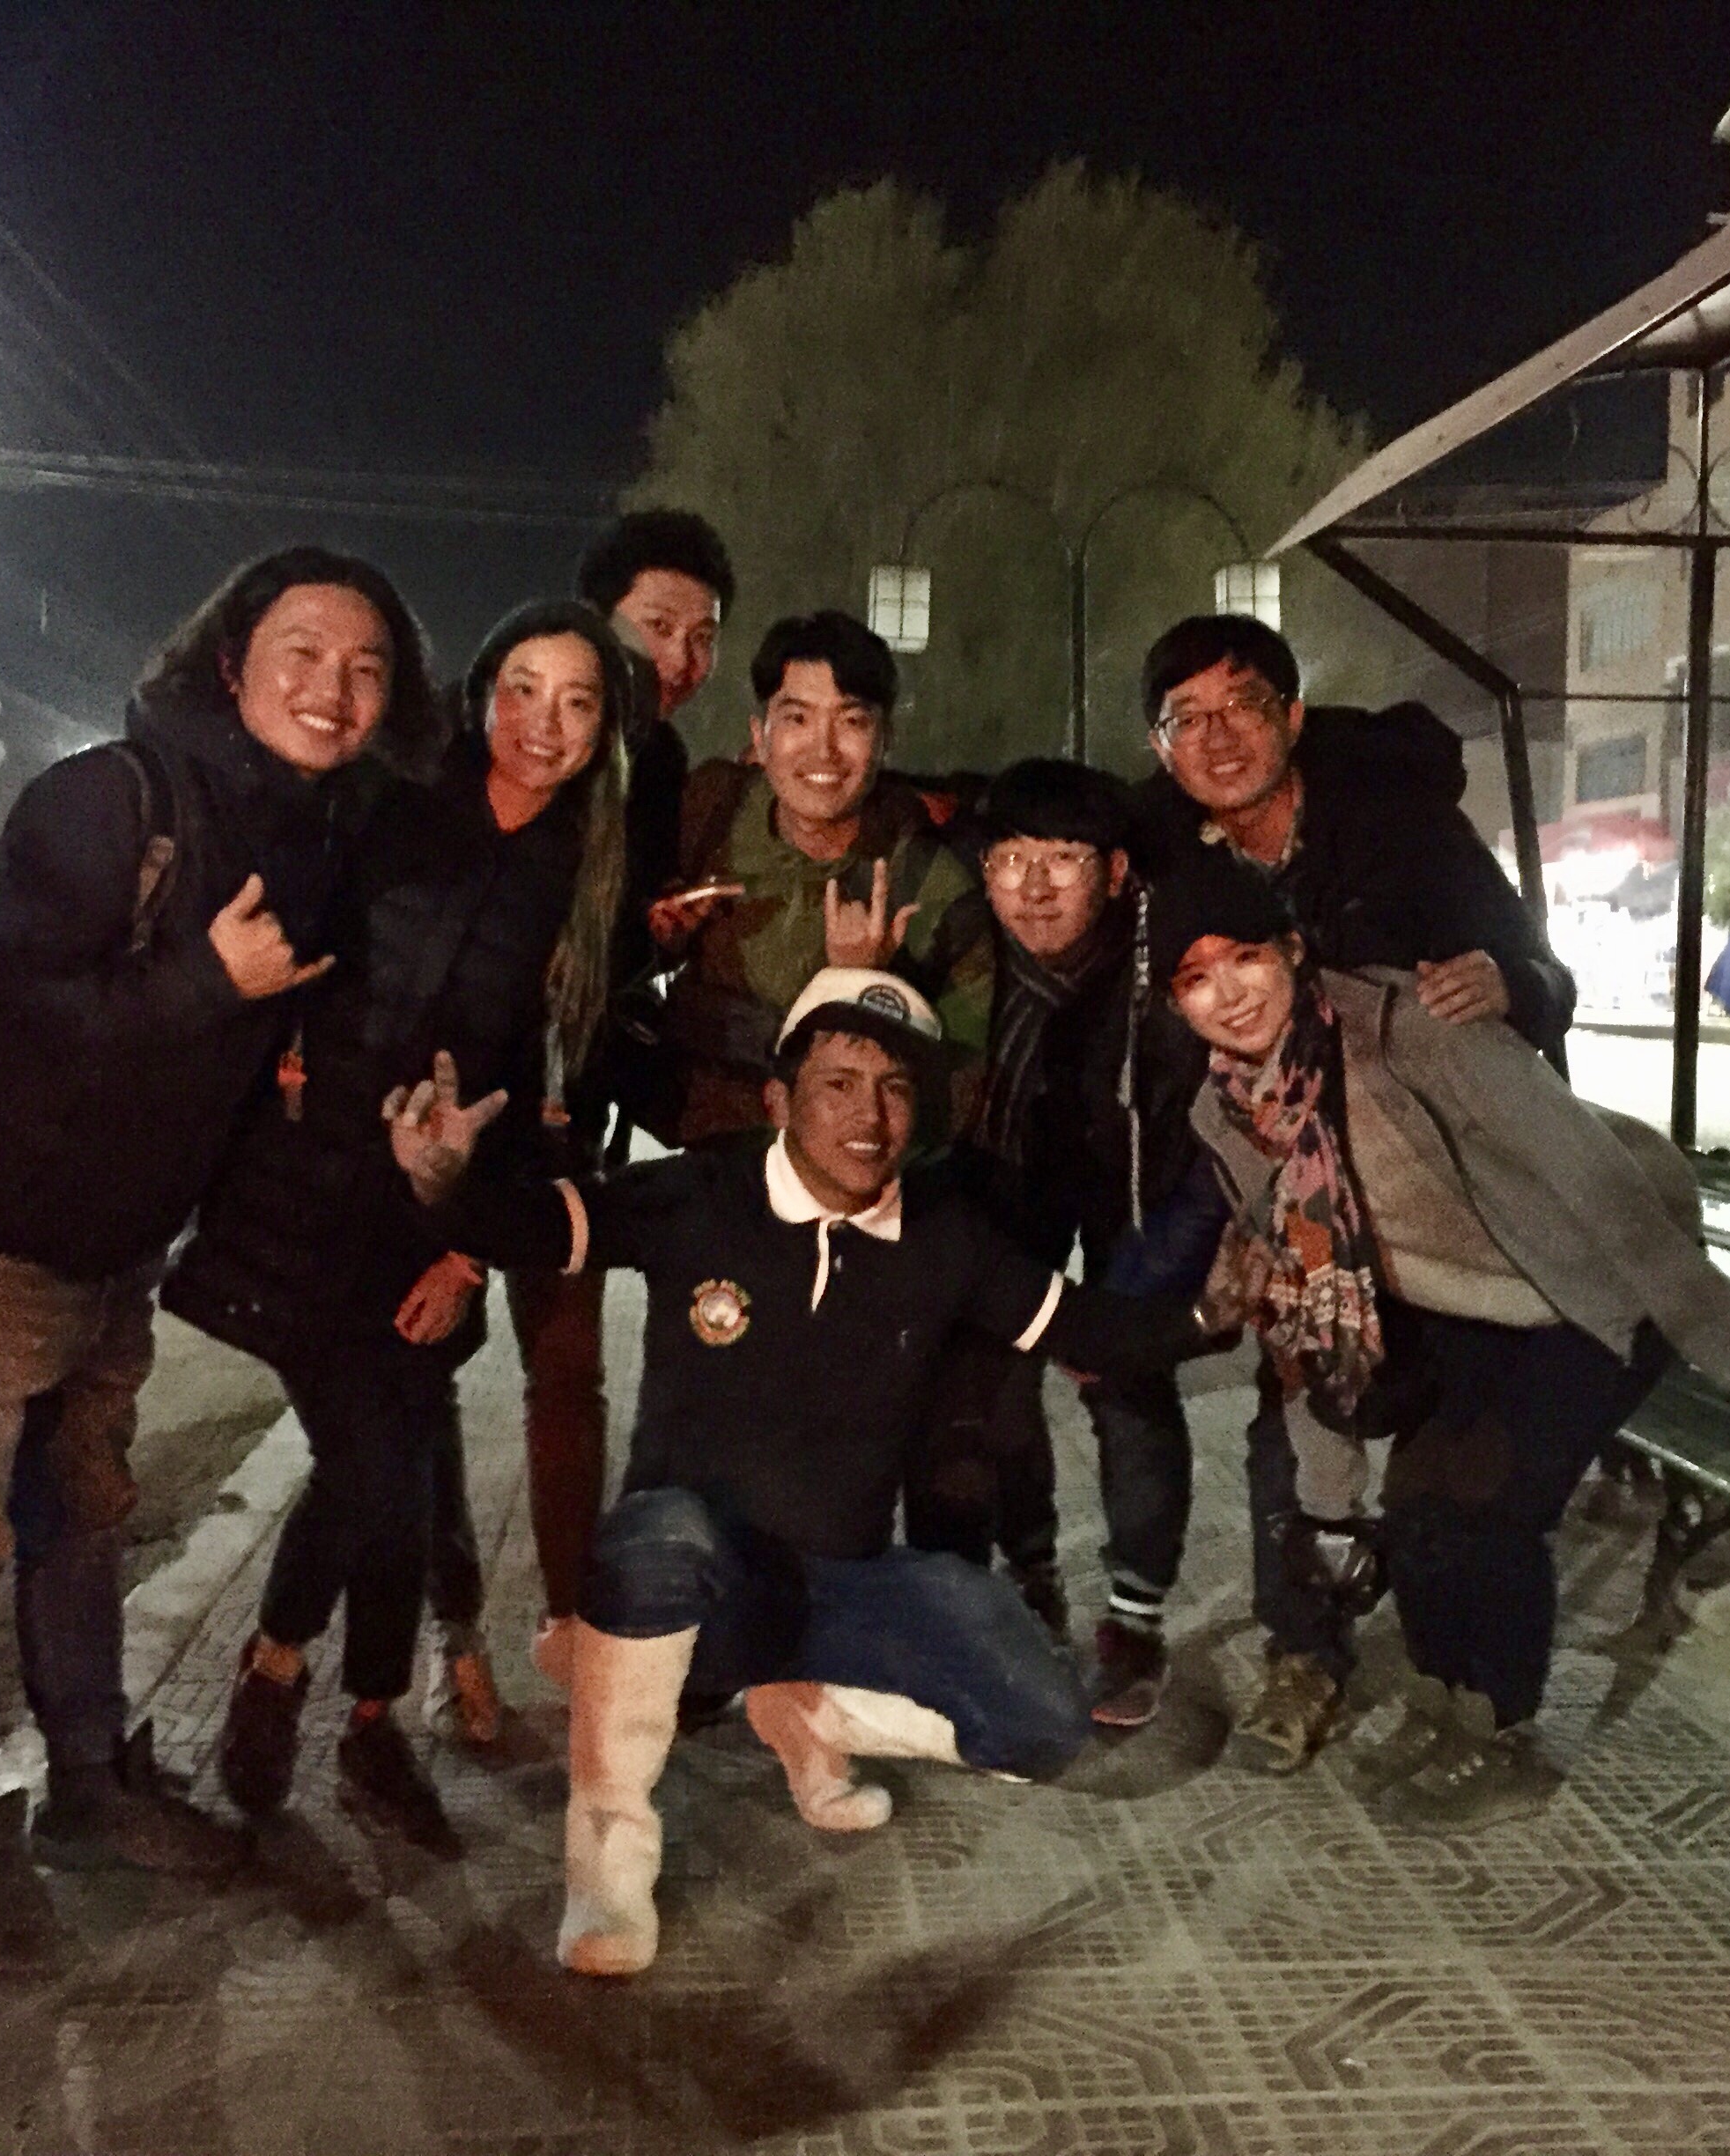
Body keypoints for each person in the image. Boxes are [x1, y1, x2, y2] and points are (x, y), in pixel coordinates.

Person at [383, 968, 1206, 1975]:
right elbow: (534, 1228)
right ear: (779, 1099)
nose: (870, 1115)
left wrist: (1219, 1311)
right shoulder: (701, 1192)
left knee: (1044, 1725)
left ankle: (795, 1705)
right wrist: (443, 1184)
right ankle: (607, 1874)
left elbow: (1092, 1331)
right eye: (839, 1083)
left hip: (842, 1585)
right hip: (698, 1591)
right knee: (658, 1538)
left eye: (896, 1088)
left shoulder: (947, 1236)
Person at [0, 546, 423, 1982]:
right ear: (230, 662)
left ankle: (89, 1786)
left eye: (365, 667)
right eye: (303, 652)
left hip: (118, 1250)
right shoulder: (105, 800)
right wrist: (206, 983)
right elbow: (15, 1015)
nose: (334, 687)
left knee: (84, 1518)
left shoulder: (312, 838)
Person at [1153, 852, 1730, 1821]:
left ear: (1292, 952)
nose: (1228, 994)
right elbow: (1299, 1297)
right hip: (1471, 1308)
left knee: (1486, 1506)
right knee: (1416, 1504)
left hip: (1591, 1292)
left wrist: (1720, 1335)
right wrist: (1326, 1503)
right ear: (1174, 1002)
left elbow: (1588, 1173)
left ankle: (1507, 1735)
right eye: (1195, 978)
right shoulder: (1229, 1109)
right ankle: (1452, 1702)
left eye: (1245, 958)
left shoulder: (1412, 1031)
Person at [165, 599, 631, 1844]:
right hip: (305, 1189)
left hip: (435, 1211)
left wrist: (469, 1249)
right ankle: (300, 1680)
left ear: (605, 731)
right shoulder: (389, 805)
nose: (544, 724)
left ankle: (341, 1706)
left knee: (385, 1460)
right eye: (522, 688)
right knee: (375, 1461)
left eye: (578, 701)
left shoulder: (585, 871)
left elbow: (547, 1090)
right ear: (480, 695)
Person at [1130, 612, 1579, 1771]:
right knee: (1295, 1419)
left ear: (1291, 715)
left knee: (1450, 1459)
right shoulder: (1178, 857)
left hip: (1438, 1188)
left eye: (1241, 707)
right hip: (1302, 1204)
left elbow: (1542, 973)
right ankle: (1307, 1652)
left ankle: (1464, 1689)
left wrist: (1513, 981)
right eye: (1187, 720)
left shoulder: (1401, 830)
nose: (1217, 738)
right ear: (1160, 747)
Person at [461, 513, 736, 1726]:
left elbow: (608, 952)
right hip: (450, 1098)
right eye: (656, 626)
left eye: (702, 637)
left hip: (566, 1115)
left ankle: (575, 1624)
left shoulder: (661, 765)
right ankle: (430, 1641)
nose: (678, 657)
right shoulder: (489, 749)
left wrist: (652, 940)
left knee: (567, 1374)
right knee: (405, 1379)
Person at [929, 759, 1208, 1726]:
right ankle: (1029, 1574)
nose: (1035, 887)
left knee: (1128, 1382)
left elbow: (1193, 1152)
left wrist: (1130, 1300)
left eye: (1064, 860)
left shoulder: (1165, 970)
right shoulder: (969, 950)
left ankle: (1134, 1620)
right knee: (992, 1379)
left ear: (1116, 871)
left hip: (1137, 1184)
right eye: (1012, 861)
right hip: (1007, 1172)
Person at [647, 610, 989, 1145]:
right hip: (700, 1156)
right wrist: (659, 941)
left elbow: (960, 1093)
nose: (823, 749)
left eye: (851, 721)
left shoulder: (933, 888)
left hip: (846, 1173)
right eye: (797, 719)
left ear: (885, 739)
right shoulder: (709, 813)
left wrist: (865, 992)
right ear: (760, 736)